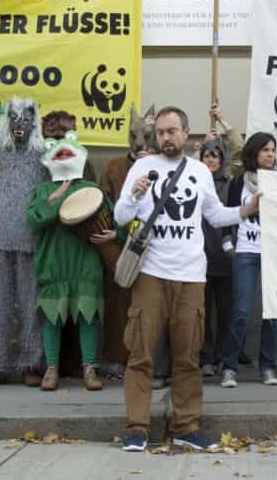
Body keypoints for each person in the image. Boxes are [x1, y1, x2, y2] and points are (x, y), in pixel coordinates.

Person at [116, 106, 259, 453]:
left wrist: (245, 210)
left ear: (186, 132)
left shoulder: (199, 171)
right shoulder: (142, 167)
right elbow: (121, 217)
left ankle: (186, 426)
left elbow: (213, 214)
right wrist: (133, 195)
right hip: (150, 273)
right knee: (140, 355)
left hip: (192, 276)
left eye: (171, 131)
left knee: (187, 357)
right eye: (160, 133)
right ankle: (137, 428)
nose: (165, 137)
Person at [27, 130, 118, 391]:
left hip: (85, 264)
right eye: (59, 150)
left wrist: (117, 233)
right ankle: (51, 369)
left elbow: (116, 218)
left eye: (69, 150)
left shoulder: (91, 189)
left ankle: (90, 369)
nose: (64, 153)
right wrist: (55, 200)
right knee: (52, 319)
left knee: (88, 317)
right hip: (53, 266)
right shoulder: (43, 190)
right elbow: (33, 219)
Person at [0, 98, 48, 387]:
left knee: (32, 306)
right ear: (6, 122)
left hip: (31, 241)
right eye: (14, 119)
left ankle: (31, 363)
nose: (20, 125)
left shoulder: (43, 160)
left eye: (26, 119)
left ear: (34, 123)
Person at [219, 132, 277, 389]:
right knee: (241, 312)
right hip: (245, 252)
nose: (270, 154)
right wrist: (227, 244)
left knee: (272, 314)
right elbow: (229, 214)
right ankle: (229, 367)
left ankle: (267, 367)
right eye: (265, 149)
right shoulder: (238, 183)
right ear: (254, 152)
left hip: (275, 255)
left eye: (273, 150)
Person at [99, 105, 156, 377]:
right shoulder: (113, 167)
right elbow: (106, 205)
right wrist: (114, 233)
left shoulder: (164, 166)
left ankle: (148, 358)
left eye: (145, 135)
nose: (139, 142)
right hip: (121, 248)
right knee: (119, 303)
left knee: (152, 304)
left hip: (156, 248)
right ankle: (116, 355)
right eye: (134, 135)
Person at [198, 130, 235, 377]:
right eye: (206, 156)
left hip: (225, 259)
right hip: (199, 260)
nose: (211, 160)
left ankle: (223, 357)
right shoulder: (195, 182)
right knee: (202, 314)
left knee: (225, 313)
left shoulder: (231, 184)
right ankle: (205, 358)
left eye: (215, 156)